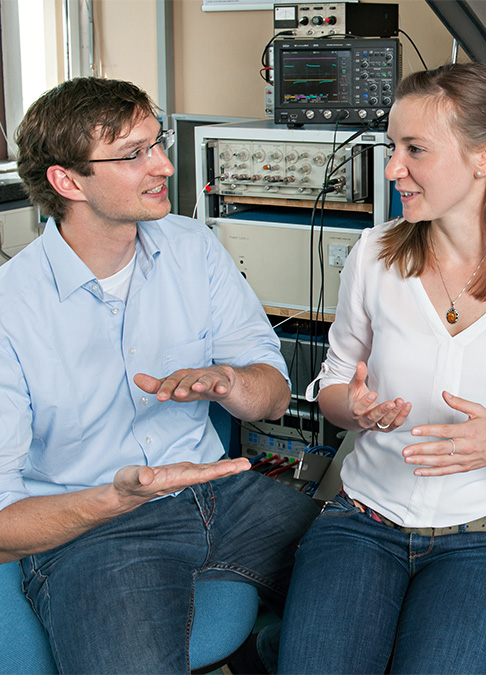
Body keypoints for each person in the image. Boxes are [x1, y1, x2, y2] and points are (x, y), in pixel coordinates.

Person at [276, 62, 486, 673]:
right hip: (363, 523)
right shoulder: (375, 255)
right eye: (392, 147)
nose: (392, 168)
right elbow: (334, 386)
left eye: (414, 150)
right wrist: (357, 407)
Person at [1, 77, 319, 673]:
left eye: (157, 142)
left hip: (223, 495)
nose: (165, 165)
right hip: (95, 526)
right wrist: (112, 498)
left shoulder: (192, 246)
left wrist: (228, 380)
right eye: (134, 154)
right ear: (67, 181)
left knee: (373, 574)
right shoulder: (10, 310)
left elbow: (273, 398)